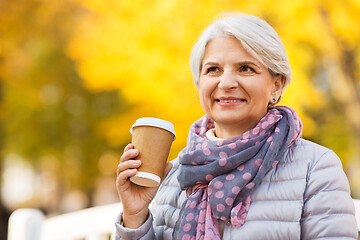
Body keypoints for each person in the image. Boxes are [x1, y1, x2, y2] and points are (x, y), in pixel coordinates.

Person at [115, 13, 358, 239]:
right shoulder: (175, 174)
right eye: (213, 70)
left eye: (245, 69)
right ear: (199, 83)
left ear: (276, 86)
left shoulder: (315, 168)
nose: (227, 82)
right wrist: (135, 215)